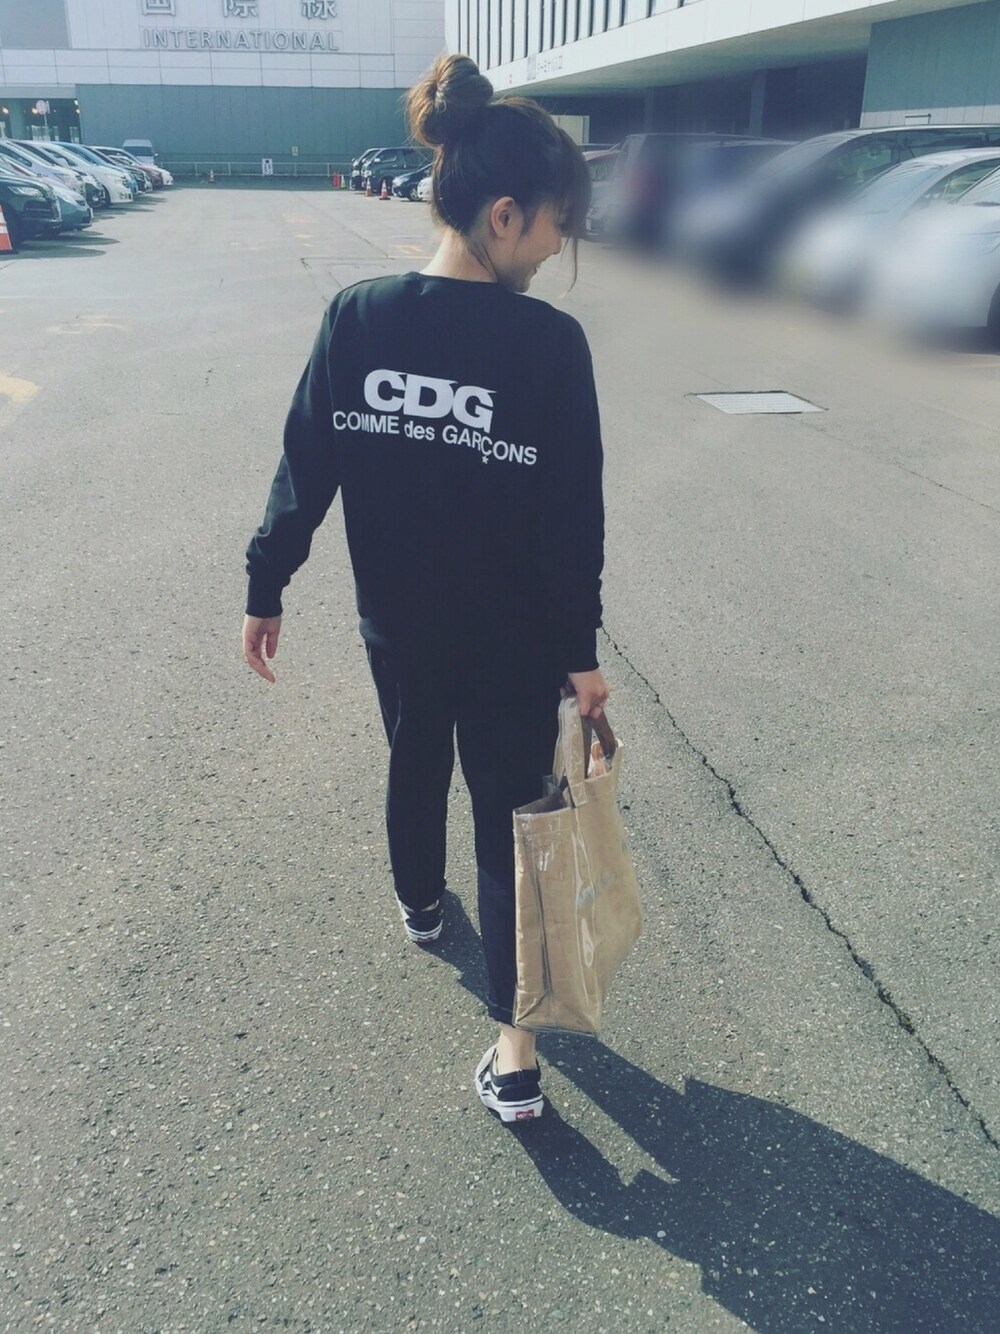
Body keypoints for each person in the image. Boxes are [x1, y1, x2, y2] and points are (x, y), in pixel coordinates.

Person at [243, 53, 608, 1124]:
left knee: (412, 754)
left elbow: (305, 465)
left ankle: (418, 905)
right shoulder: (549, 346)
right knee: (511, 822)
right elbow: (570, 518)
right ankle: (515, 1057)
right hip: (514, 645)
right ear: (503, 216)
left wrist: (267, 586)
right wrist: (580, 655)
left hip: (399, 625)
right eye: (555, 225)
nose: (557, 247)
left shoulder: (358, 319)